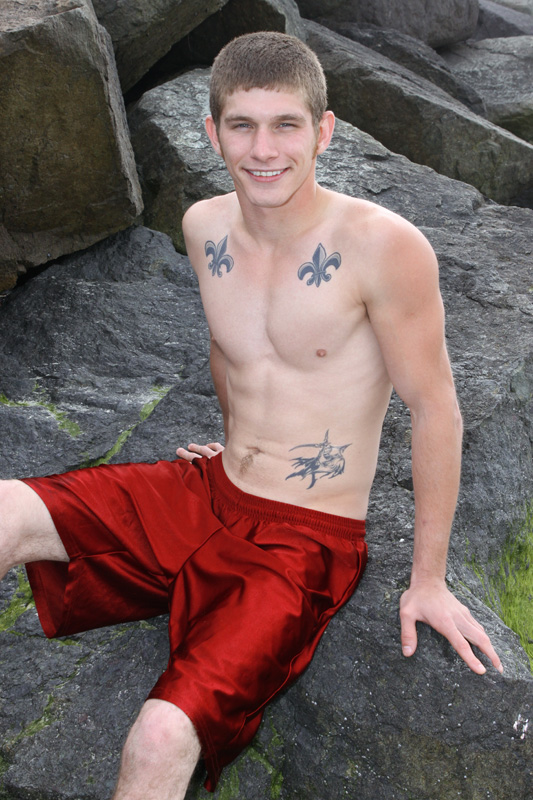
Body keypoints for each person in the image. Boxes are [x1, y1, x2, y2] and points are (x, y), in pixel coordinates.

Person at [0, 31, 502, 800]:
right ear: (212, 132)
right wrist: (239, 443)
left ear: (322, 131)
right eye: (242, 126)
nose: (262, 150)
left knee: (160, 736)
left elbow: (435, 407)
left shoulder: (383, 247)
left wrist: (426, 580)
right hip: (209, 491)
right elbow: (227, 348)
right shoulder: (205, 226)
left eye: (284, 125)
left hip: (304, 540)